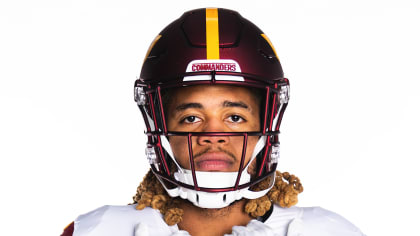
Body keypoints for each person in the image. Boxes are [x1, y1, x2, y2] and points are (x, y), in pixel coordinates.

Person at [61, 8, 365, 236]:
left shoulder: (326, 230)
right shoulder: (96, 230)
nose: (213, 134)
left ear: (265, 125)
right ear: (160, 126)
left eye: (234, 117)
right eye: (191, 117)